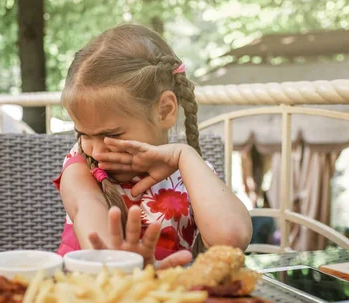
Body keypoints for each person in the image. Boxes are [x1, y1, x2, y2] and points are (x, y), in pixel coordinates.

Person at [53, 24, 252, 269]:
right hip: (88, 299)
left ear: (165, 110)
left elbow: (232, 238)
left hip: (168, 302)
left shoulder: (190, 171)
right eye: (83, 134)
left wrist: (185, 155)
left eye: (110, 135)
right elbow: (94, 228)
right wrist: (130, 264)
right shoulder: (81, 166)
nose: (95, 150)